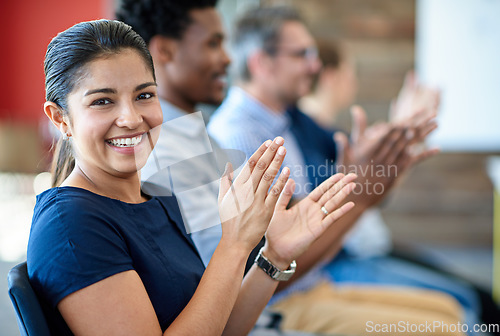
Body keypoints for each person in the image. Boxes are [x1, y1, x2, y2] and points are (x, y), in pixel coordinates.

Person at [118, 1, 466, 335]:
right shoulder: (176, 143)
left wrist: (370, 180)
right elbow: (229, 274)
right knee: (449, 322)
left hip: (294, 286)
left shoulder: (192, 134)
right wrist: (357, 196)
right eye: (213, 44)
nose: (227, 58)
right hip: (269, 304)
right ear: (164, 51)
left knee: (450, 312)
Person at [26, 19, 358, 335]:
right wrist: (234, 244)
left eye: (144, 95)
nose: (130, 118)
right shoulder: (71, 225)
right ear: (61, 119)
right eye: (102, 101)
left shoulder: (155, 197)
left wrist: (274, 256)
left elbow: (219, 328)